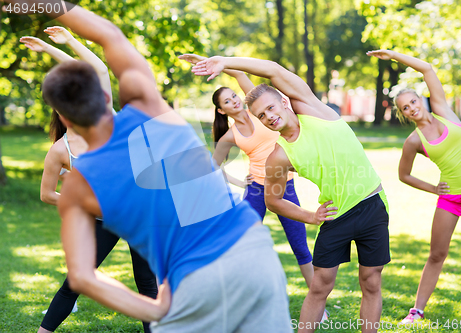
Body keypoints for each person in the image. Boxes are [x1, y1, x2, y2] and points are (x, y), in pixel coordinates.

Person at [10, 1, 291, 332]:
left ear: (63, 116)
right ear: (104, 97)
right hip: (249, 249)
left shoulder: (77, 188)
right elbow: (108, 35)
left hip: (189, 279)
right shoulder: (147, 105)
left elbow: (83, 277)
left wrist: (157, 308)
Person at [191, 56, 390, 333]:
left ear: (284, 102)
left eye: (271, 108)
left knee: (371, 280)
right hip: (335, 215)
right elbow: (273, 201)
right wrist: (310, 215)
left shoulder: (312, 109)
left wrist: (224, 62)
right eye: (262, 115)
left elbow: (272, 70)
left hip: (372, 205)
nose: (269, 117)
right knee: (320, 286)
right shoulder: (279, 156)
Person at [22, 27, 158, 333]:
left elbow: (96, 68)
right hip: (102, 220)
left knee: (147, 285)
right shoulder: (61, 150)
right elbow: (47, 194)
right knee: (75, 280)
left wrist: (63, 44)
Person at [367, 49, 461, 324]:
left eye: (413, 101)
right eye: (405, 107)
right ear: (403, 114)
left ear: (420, 100)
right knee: (436, 254)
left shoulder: (443, 111)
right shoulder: (414, 142)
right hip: (450, 199)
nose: (412, 107)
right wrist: (432, 188)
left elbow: (427, 68)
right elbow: (404, 175)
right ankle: (416, 310)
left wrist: (393, 55)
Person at [180, 54, 316, 295]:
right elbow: (213, 167)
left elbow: (240, 73)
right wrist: (238, 182)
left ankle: (319, 302)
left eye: (233, 96)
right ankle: (239, 297)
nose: (234, 100)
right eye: (227, 101)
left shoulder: (258, 111)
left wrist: (210, 61)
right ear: (222, 111)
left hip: (284, 187)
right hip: (256, 191)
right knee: (242, 245)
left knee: (300, 247)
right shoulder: (230, 136)